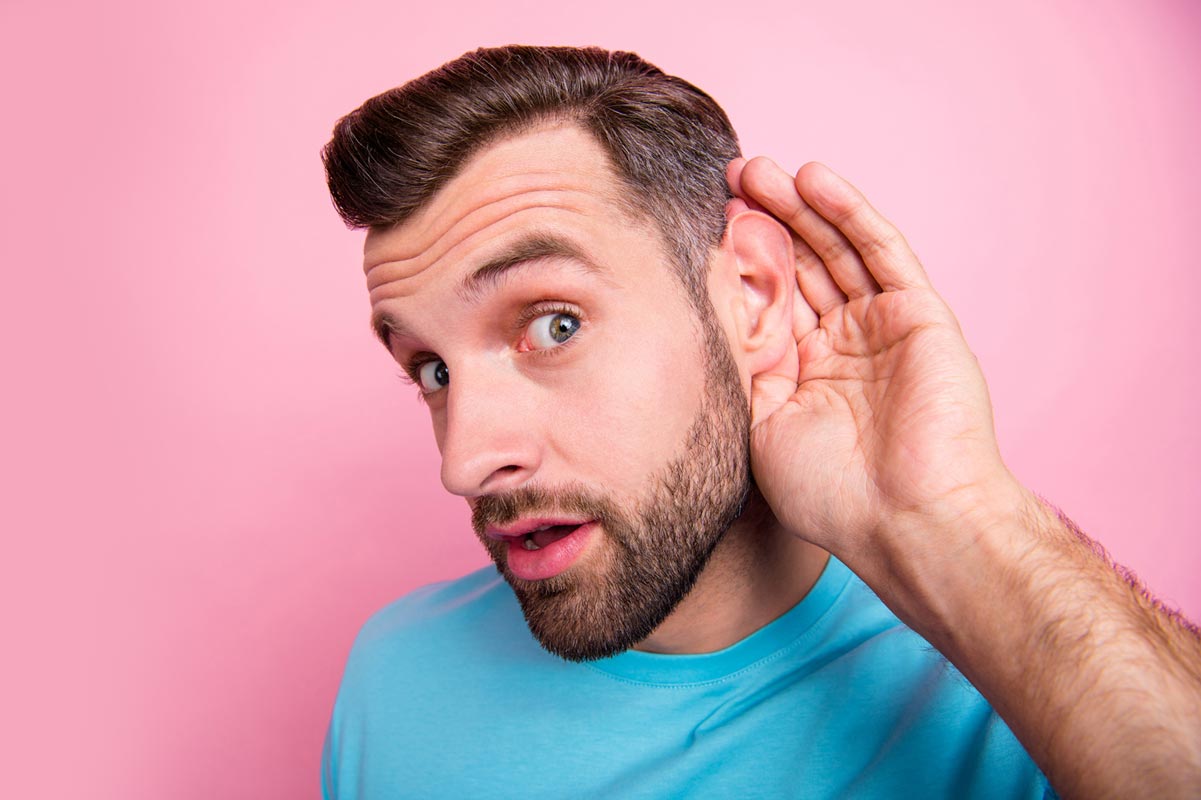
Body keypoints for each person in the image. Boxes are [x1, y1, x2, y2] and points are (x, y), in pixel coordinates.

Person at [319, 45, 1201, 799]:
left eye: (554, 325)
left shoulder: (1035, 690)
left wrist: (955, 518)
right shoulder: (394, 682)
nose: (465, 461)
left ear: (751, 294)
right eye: (432, 370)